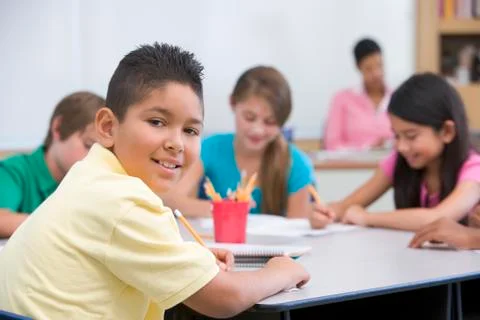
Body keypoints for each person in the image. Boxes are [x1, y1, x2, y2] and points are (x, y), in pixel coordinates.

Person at [0, 43, 310, 319]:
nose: (176, 143)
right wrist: (278, 272)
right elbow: (224, 299)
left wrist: (183, 257)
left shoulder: (93, 176)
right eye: (157, 122)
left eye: (190, 130)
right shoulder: (124, 202)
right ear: (107, 126)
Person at [310, 73, 480, 231]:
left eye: (411, 136)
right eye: (396, 136)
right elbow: (346, 206)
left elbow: (438, 219)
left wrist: (368, 218)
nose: (401, 147)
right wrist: (325, 213)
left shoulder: (474, 169)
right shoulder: (400, 161)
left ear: (446, 131)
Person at [163, 66, 320, 219]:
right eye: (249, 118)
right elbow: (171, 200)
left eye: (270, 122)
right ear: (233, 103)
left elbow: (298, 227)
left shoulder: (296, 163)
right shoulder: (210, 148)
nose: (257, 130)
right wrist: (223, 209)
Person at [0, 91, 104, 237]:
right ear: (57, 127)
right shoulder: (13, 171)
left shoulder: (92, 183)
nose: (95, 157)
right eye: (88, 145)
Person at [323, 38, 393, 150]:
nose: (376, 73)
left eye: (380, 65)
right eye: (369, 69)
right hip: (354, 165)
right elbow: (331, 145)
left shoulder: (398, 98)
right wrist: (367, 148)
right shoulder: (341, 99)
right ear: (358, 68)